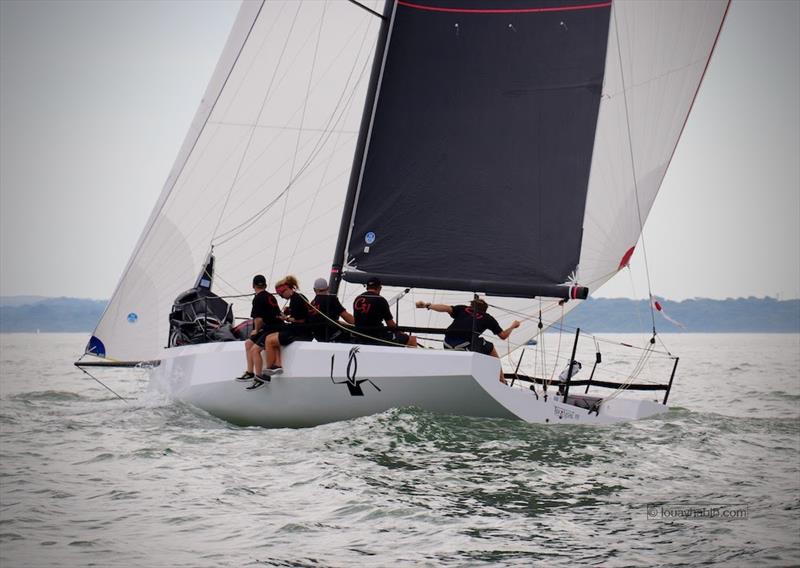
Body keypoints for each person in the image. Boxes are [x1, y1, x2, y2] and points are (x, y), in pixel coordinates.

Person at [416, 297, 520, 382]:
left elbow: (446, 308)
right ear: (485, 309)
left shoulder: (462, 309)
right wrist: (513, 326)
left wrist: (427, 305)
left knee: (478, 341)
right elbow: (503, 336)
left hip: (447, 344)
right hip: (465, 345)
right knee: (490, 347)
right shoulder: (488, 318)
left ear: (471, 306)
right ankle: (501, 380)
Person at [254, 275, 312, 385]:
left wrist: (286, 318)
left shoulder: (296, 299)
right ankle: (277, 364)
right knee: (272, 336)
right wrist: (289, 311)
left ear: (288, 289)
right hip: (300, 329)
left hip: (301, 331)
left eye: (281, 293)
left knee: (269, 340)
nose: (281, 296)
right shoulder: (297, 298)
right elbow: (301, 313)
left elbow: (301, 320)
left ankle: (268, 371)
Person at [235, 274, 283, 384]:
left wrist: (256, 330)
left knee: (254, 350)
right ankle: (250, 372)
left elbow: (258, 319)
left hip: (271, 329)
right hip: (271, 327)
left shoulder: (257, 298)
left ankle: (259, 376)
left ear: (253, 285)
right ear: (265, 285)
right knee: (248, 343)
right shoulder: (270, 296)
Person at [353, 277, 417, 347]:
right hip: (377, 337)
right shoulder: (380, 300)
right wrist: (400, 332)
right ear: (379, 288)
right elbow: (390, 325)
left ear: (367, 287)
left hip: (360, 336)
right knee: (411, 340)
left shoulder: (357, 299)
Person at [308, 277, 354, 342]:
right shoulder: (331, 299)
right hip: (333, 336)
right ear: (328, 288)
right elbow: (346, 316)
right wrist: (359, 324)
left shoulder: (312, 303)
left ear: (314, 290)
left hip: (319, 338)